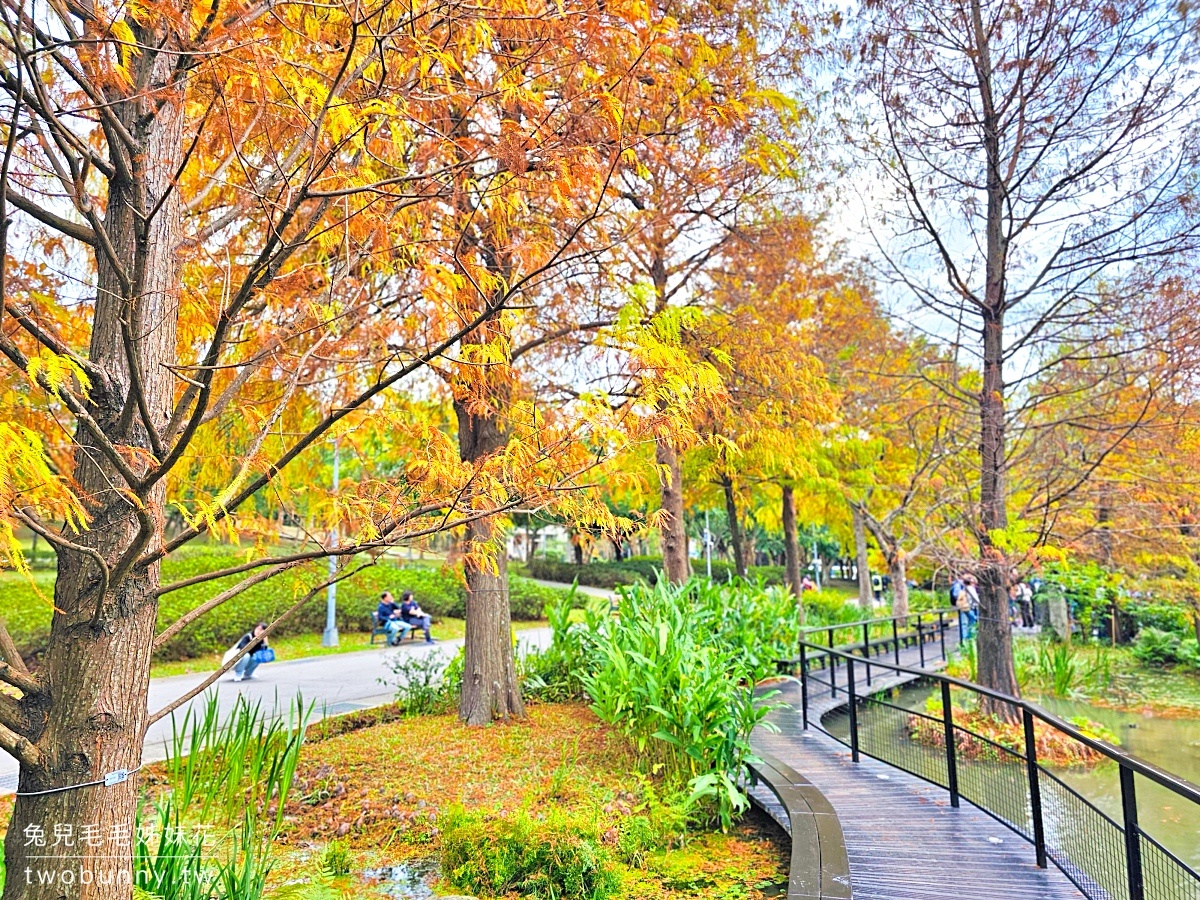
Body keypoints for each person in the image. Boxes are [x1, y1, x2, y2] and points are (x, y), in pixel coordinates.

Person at [962, 574, 980, 639]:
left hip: (968, 607)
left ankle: (969, 637)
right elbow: (976, 599)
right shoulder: (970, 588)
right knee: (972, 622)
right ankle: (971, 637)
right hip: (972, 607)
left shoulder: (965, 588)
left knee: (970, 622)